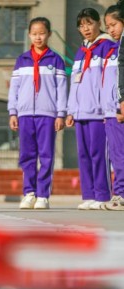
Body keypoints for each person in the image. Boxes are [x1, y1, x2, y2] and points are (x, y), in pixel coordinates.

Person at [7, 17, 68, 210]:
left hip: (47, 114)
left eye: (42, 33)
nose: (38, 37)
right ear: (29, 35)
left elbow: (61, 89)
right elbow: (14, 89)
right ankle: (29, 193)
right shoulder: (22, 60)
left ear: (49, 34)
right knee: (27, 155)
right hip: (24, 115)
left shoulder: (55, 60)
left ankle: (43, 195)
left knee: (46, 155)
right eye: (34, 33)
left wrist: (61, 114)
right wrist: (13, 112)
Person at [66, 8, 113, 210]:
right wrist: (70, 110)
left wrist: (106, 109)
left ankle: (102, 195)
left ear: (98, 24)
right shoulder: (81, 51)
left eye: (89, 23)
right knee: (83, 154)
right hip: (80, 112)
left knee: (98, 153)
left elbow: (107, 82)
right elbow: (74, 83)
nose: (85, 28)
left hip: (97, 112)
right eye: (81, 25)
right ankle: (89, 194)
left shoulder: (106, 47)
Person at [104, 4, 124, 210]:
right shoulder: (115, 48)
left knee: (120, 156)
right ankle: (119, 193)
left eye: (114, 25)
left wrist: (121, 104)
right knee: (117, 156)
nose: (110, 30)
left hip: (120, 108)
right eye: (108, 26)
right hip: (113, 108)